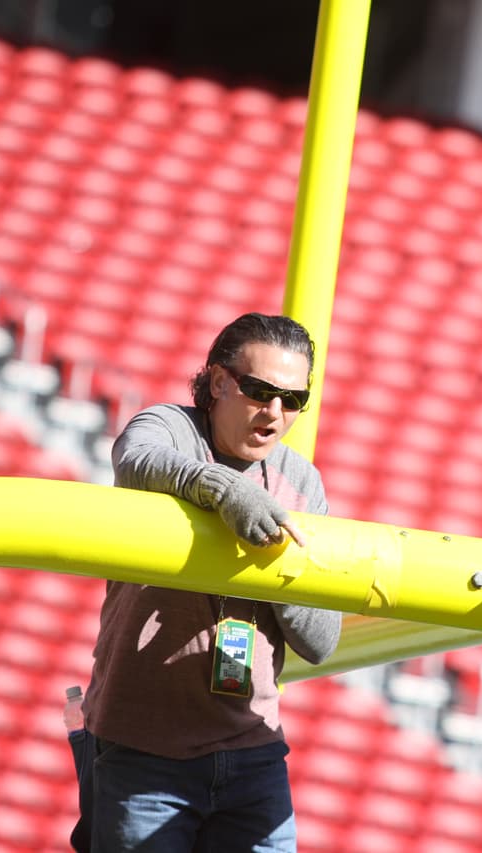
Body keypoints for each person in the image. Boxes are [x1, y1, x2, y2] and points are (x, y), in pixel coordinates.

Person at [74, 312, 342, 852]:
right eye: (261, 390)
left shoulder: (301, 481)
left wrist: (278, 569)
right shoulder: (169, 426)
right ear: (218, 382)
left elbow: (320, 642)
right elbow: (137, 459)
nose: (275, 413)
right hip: (142, 756)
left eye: (293, 400)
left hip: (254, 756)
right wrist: (225, 493)